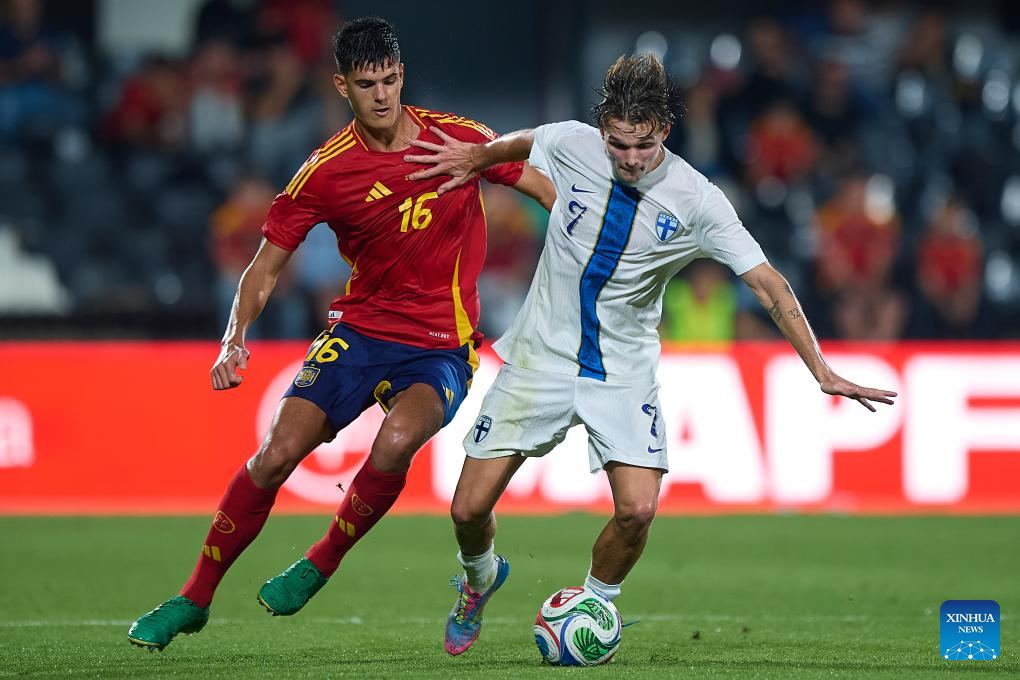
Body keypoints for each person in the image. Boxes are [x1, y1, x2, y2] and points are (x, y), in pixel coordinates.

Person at [405, 52, 898, 656]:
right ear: (602, 130)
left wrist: (821, 370)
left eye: (644, 144)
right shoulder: (572, 141)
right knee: (467, 510)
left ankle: (593, 603)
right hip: (541, 359)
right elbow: (522, 142)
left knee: (637, 510)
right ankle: (479, 579)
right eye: (619, 144)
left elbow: (769, 284)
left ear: (664, 129)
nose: (632, 158)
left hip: (623, 372)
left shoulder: (698, 199)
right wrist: (474, 158)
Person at [127, 16, 555, 651]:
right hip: (359, 331)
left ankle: (320, 561)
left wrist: (590, 252)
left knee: (396, 441)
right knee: (275, 454)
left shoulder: (460, 139)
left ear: (402, 75)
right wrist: (234, 337)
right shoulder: (326, 172)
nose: (382, 96)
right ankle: (194, 598)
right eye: (366, 84)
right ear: (341, 86)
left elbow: (548, 193)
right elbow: (264, 267)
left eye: (390, 80)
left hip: (441, 344)